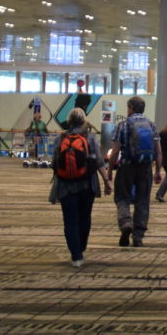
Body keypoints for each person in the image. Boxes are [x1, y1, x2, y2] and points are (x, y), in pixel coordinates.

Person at [50, 107, 112, 267]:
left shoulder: (61, 138)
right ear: (84, 121)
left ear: (68, 121)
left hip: (65, 186)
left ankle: (76, 255)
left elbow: (54, 163)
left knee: (70, 220)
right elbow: (99, 161)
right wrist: (106, 181)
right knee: (85, 218)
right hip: (87, 185)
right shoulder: (90, 138)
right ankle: (81, 246)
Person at [108, 96, 163, 247]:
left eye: (128, 107)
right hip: (145, 167)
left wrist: (110, 170)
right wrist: (158, 170)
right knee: (143, 201)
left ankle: (126, 223)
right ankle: (138, 236)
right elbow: (158, 152)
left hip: (126, 166)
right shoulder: (151, 125)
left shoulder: (123, 125)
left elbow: (115, 151)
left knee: (122, 197)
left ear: (131, 108)